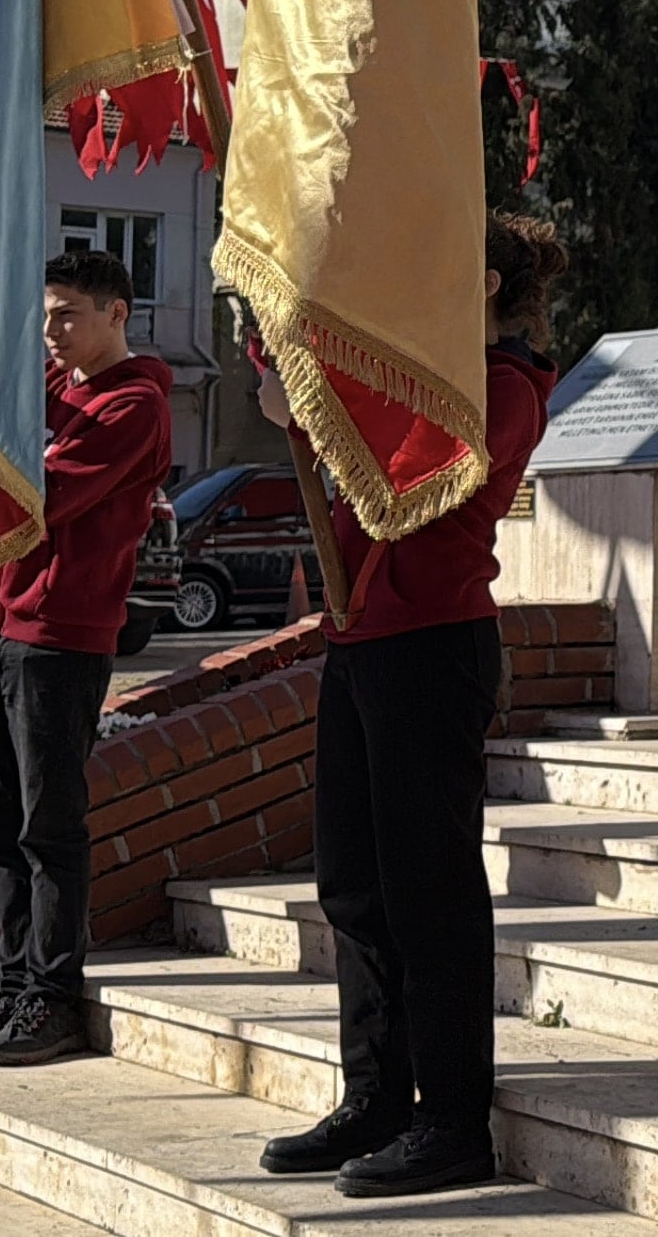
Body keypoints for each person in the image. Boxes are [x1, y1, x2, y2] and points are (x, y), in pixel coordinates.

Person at [256, 215, 563, 1198]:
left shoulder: (503, 386)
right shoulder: (423, 373)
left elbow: (413, 477)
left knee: (429, 891)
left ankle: (452, 1120)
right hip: (362, 641)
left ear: (484, 284)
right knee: (354, 884)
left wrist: (313, 400)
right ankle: (377, 1096)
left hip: (432, 646)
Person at [0, 251, 174, 1070]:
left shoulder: (134, 405)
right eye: (44, 315)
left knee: (48, 829)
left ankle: (52, 995)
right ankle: (12, 982)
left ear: (116, 314)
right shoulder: (50, 388)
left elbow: (37, 495)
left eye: (67, 314)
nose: (50, 330)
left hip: (62, 640)